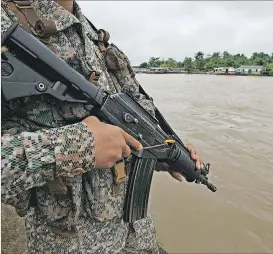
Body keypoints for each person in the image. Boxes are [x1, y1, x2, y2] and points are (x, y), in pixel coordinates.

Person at [1, 0, 203, 253]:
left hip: (136, 235)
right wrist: (78, 146)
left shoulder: (91, 33)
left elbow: (130, 117)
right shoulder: (5, 20)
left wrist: (166, 152)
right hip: (69, 242)